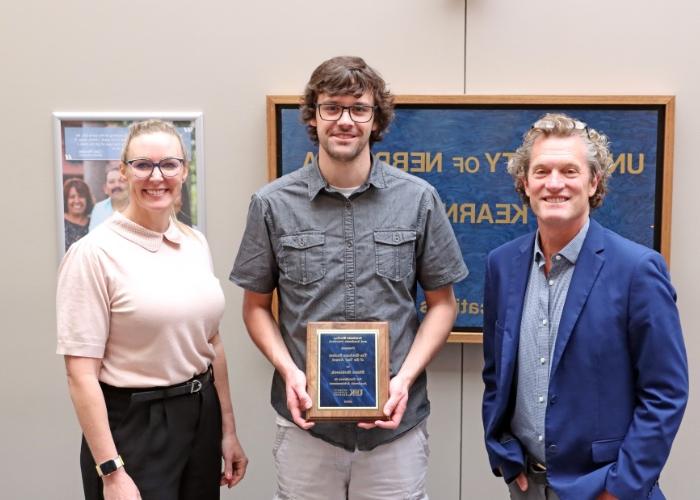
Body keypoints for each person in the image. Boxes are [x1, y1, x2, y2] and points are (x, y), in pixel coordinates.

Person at [230, 56, 468, 500]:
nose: (345, 120)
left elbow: (442, 304)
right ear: (313, 116)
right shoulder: (271, 204)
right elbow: (256, 307)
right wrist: (289, 372)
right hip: (307, 431)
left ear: (375, 119)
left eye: (359, 109)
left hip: (396, 429)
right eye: (332, 107)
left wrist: (404, 380)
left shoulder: (419, 199)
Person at [481, 113, 688, 500]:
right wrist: (504, 452)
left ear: (593, 181)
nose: (554, 183)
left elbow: (665, 393)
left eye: (569, 171)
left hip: (604, 489)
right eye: (541, 171)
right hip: (526, 486)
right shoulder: (502, 264)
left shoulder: (637, 270)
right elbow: (496, 373)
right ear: (524, 183)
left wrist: (619, 488)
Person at [57, 120, 247, 500]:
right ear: (124, 171)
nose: (156, 176)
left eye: (169, 164)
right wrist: (111, 471)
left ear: (184, 171)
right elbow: (80, 373)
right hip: (135, 426)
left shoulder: (194, 242)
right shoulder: (93, 254)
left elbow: (211, 341)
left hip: (199, 413)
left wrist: (227, 430)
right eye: (143, 164)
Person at [89, 161, 128, 230]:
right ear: (105, 189)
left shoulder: (138, 208)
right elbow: (93, 237)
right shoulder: (99, 209)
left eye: (121, 181)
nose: (117, 185)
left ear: (129, 186)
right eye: (111, 182)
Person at [63, 177, 94, 250]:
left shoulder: (94, 223)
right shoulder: (60, 223)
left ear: (87, 199)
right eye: (72, 197)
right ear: (65, 200)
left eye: (81, 196)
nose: (77, 201)